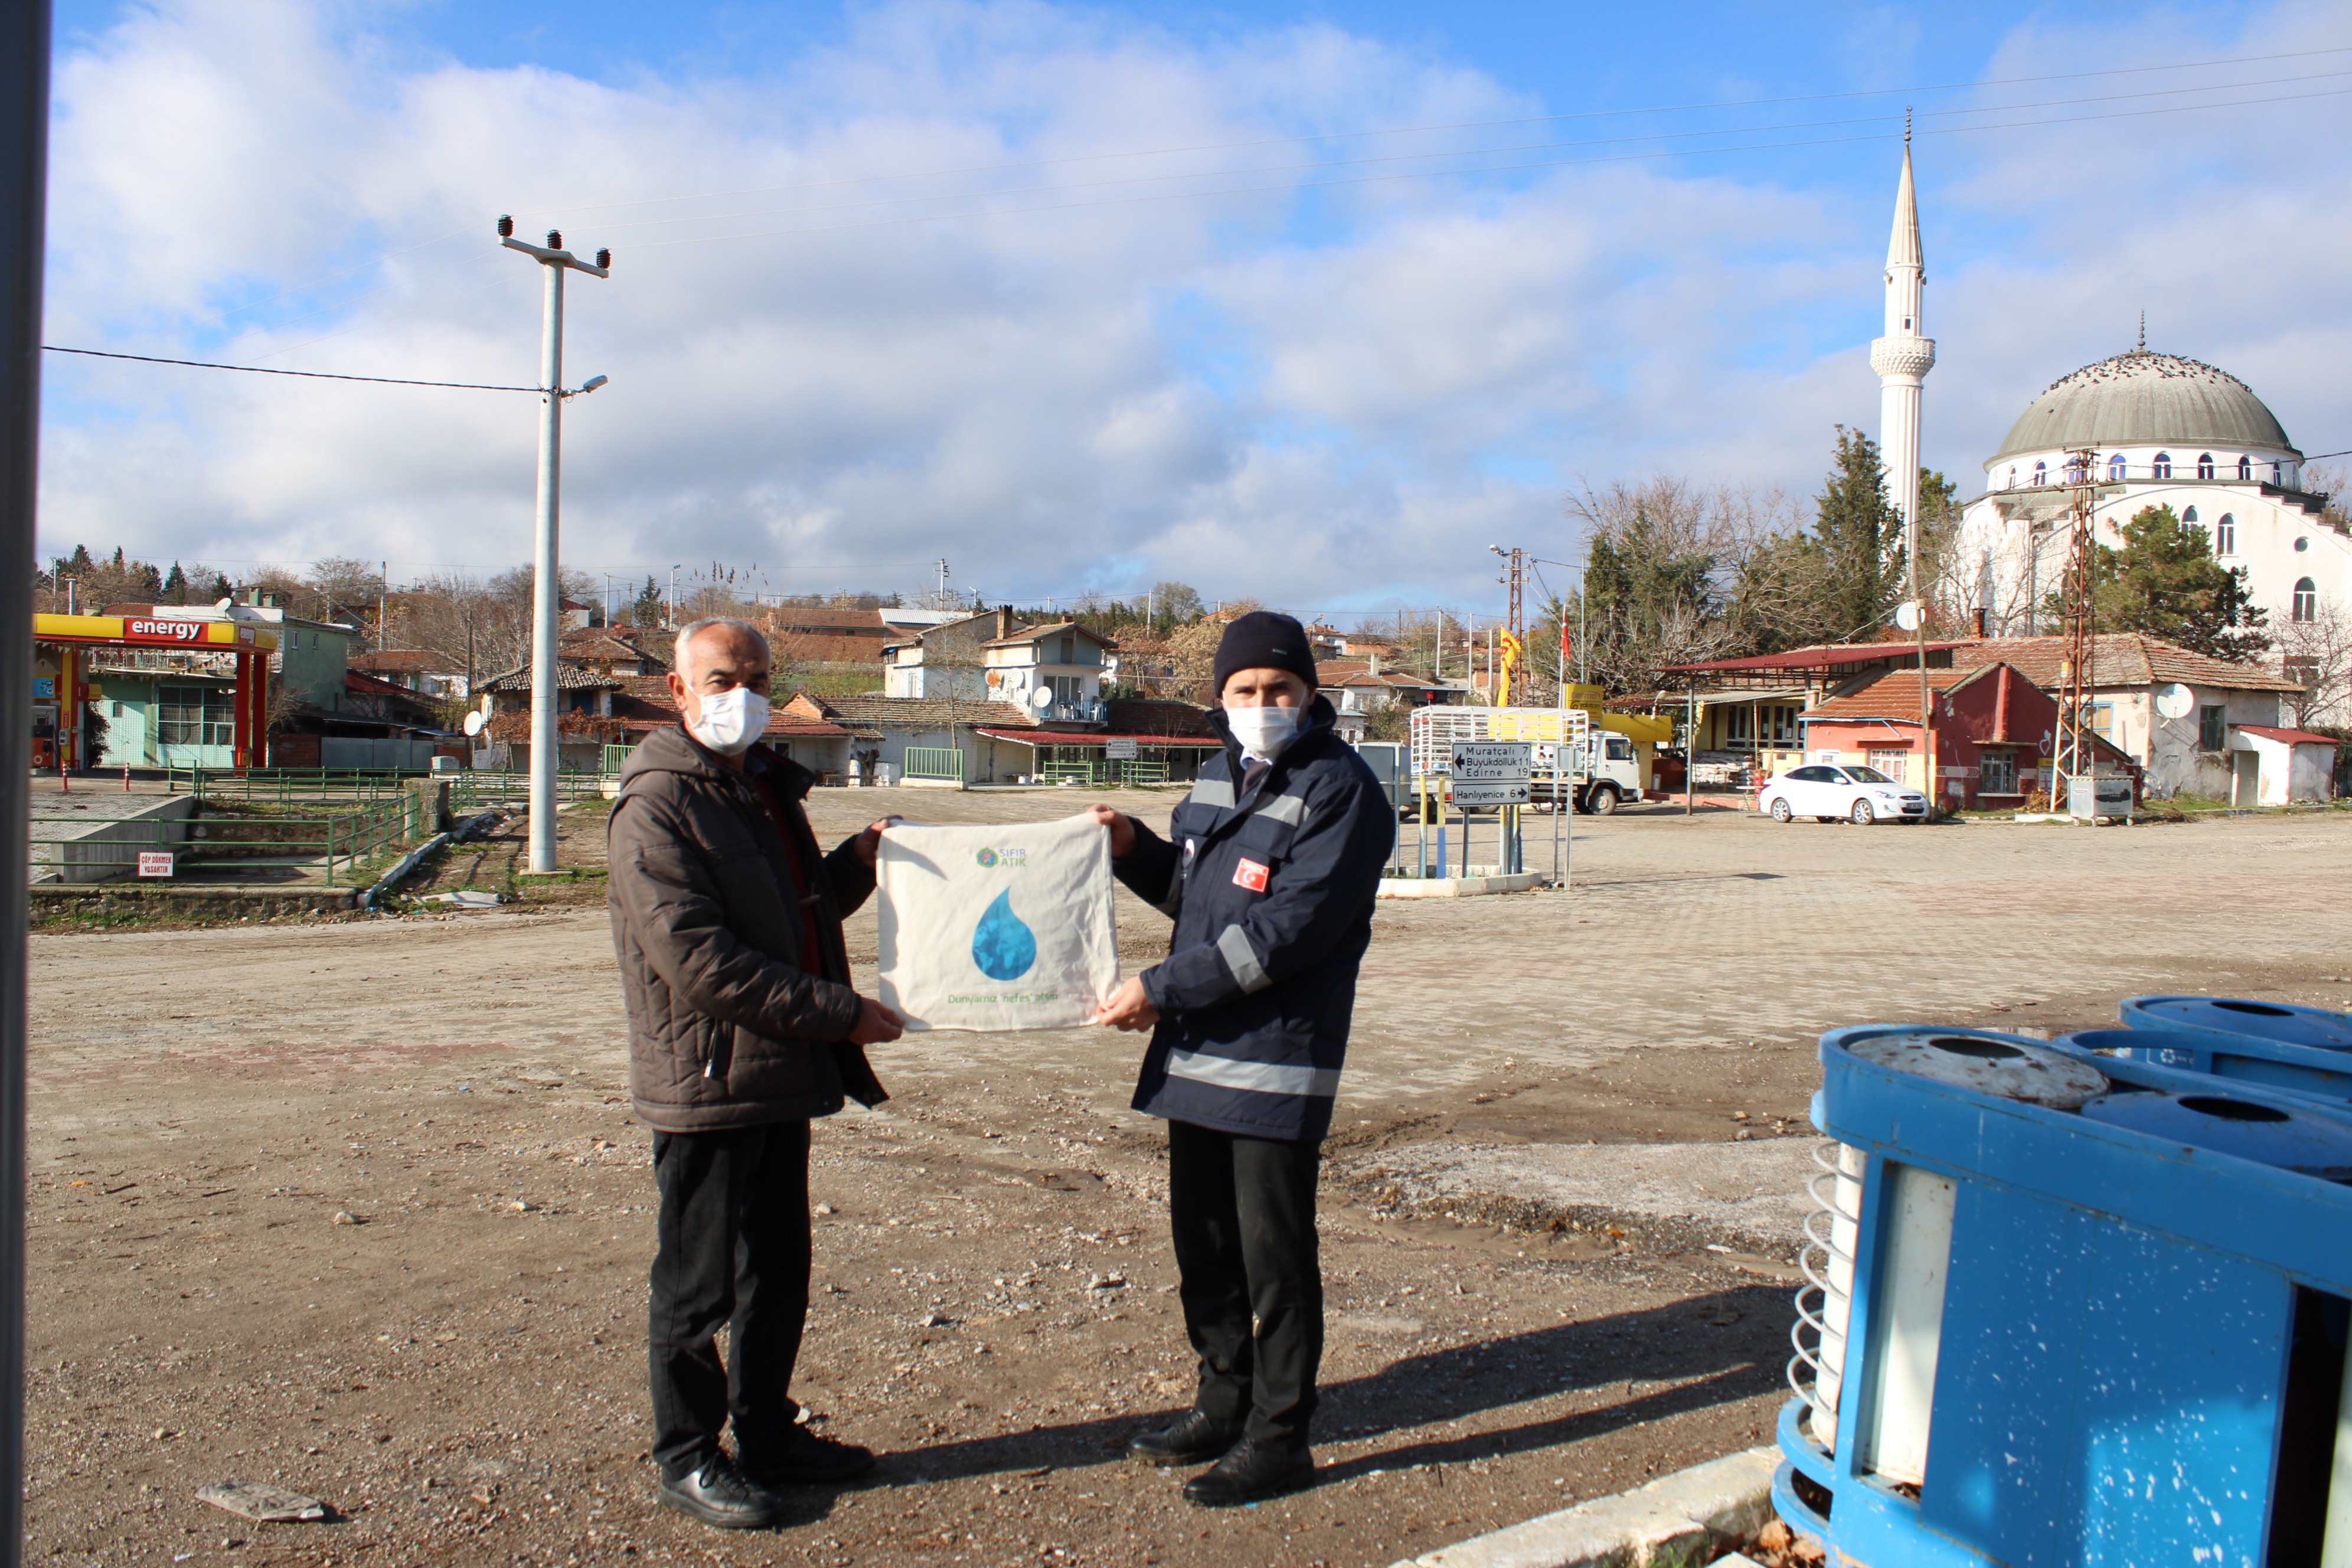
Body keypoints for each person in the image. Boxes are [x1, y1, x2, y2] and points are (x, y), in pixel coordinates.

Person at [607, 616, 906, 1531]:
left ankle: (768, 1435)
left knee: (777, 1270)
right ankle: (689, 1457)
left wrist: (852, 866)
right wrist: (840, 1015)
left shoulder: (760, 787)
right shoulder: (656, 806)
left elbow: (793, 910)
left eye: (757, 678)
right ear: (679, 689)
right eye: (723, 678)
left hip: (777, 1074)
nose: (743, 695)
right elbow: (703, 961)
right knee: (698, 1284)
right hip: (707, 1084)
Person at [1088, 611, 1393, 1506]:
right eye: (1245, 692)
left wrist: (1158, 990)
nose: (1263, 704)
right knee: (1206, 1246)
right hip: (1196, 1058)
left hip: (1272, 1060)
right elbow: (1194, 897)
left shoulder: (1342, 792)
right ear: (1220, 701)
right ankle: (1221, 1402)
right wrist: (1132, 849)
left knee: (1274, 1256)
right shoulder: (1220, 777)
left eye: (1280, 691)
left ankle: (1279, 1435)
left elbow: (1286, 934)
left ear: (1309, 695)